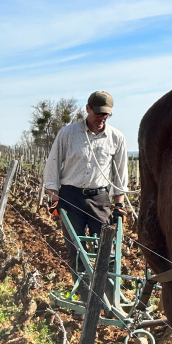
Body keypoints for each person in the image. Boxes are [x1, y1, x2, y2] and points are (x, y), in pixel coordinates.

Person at [43, 91, 129, 273]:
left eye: (105, 114)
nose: (101, 117)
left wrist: (119, 204)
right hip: (71, 198)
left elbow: (120, 174)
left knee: (106, 249)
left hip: (100, 199)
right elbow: (53, 163)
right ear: (88, 109)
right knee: (76, 250)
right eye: (97, 112)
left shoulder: (116, 137)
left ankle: (106, 292)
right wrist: (53, 196)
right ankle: (82, 293)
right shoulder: (68, 133)